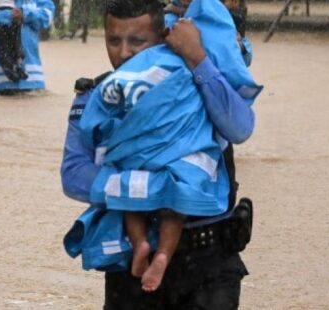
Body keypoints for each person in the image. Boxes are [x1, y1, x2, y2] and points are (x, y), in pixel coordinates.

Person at [61, 0, 259, 308]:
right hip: (132, 269)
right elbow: (74, 176)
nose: (124, 53)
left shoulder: (198, 84)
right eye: (114, 41)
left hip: (210, 261)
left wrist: (198, 59)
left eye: (137, 42)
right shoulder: (97, 96)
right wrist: (158, 189)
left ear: (163, 38)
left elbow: (240, 128)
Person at [0, 0, 55, 95]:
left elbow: (47, 17)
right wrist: (9, 14)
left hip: (32, 78)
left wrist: (24, 14)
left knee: (33, 106)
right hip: (0, 80)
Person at [0, 0, 29, 82]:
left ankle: (12, 69)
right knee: (15, 42)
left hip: (2, 13)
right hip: (12, 12)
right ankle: (18, 66)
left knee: (4, 45)